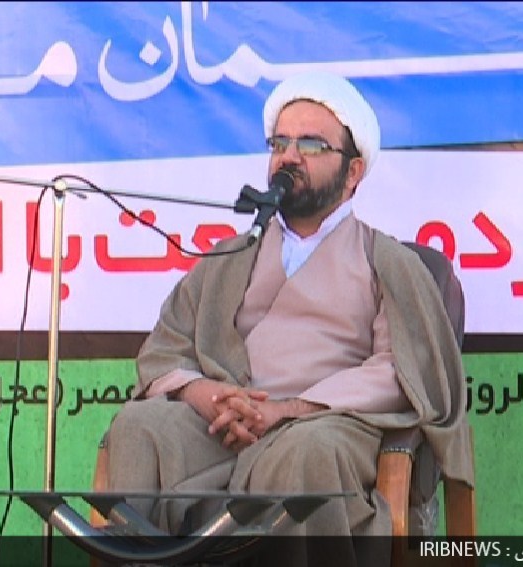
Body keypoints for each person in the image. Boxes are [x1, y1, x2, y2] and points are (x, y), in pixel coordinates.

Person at [104, 71, 474, 565]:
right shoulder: (230, 257)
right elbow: (167, 349)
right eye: (280, 143)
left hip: (326, 425)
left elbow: (401, 370)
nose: (289, 156)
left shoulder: (386, 261)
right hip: (223, 431)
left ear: (353, 171)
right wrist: (207, 395)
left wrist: (286, 410)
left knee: (305, 452)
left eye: (311, 145)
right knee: (140, 426)